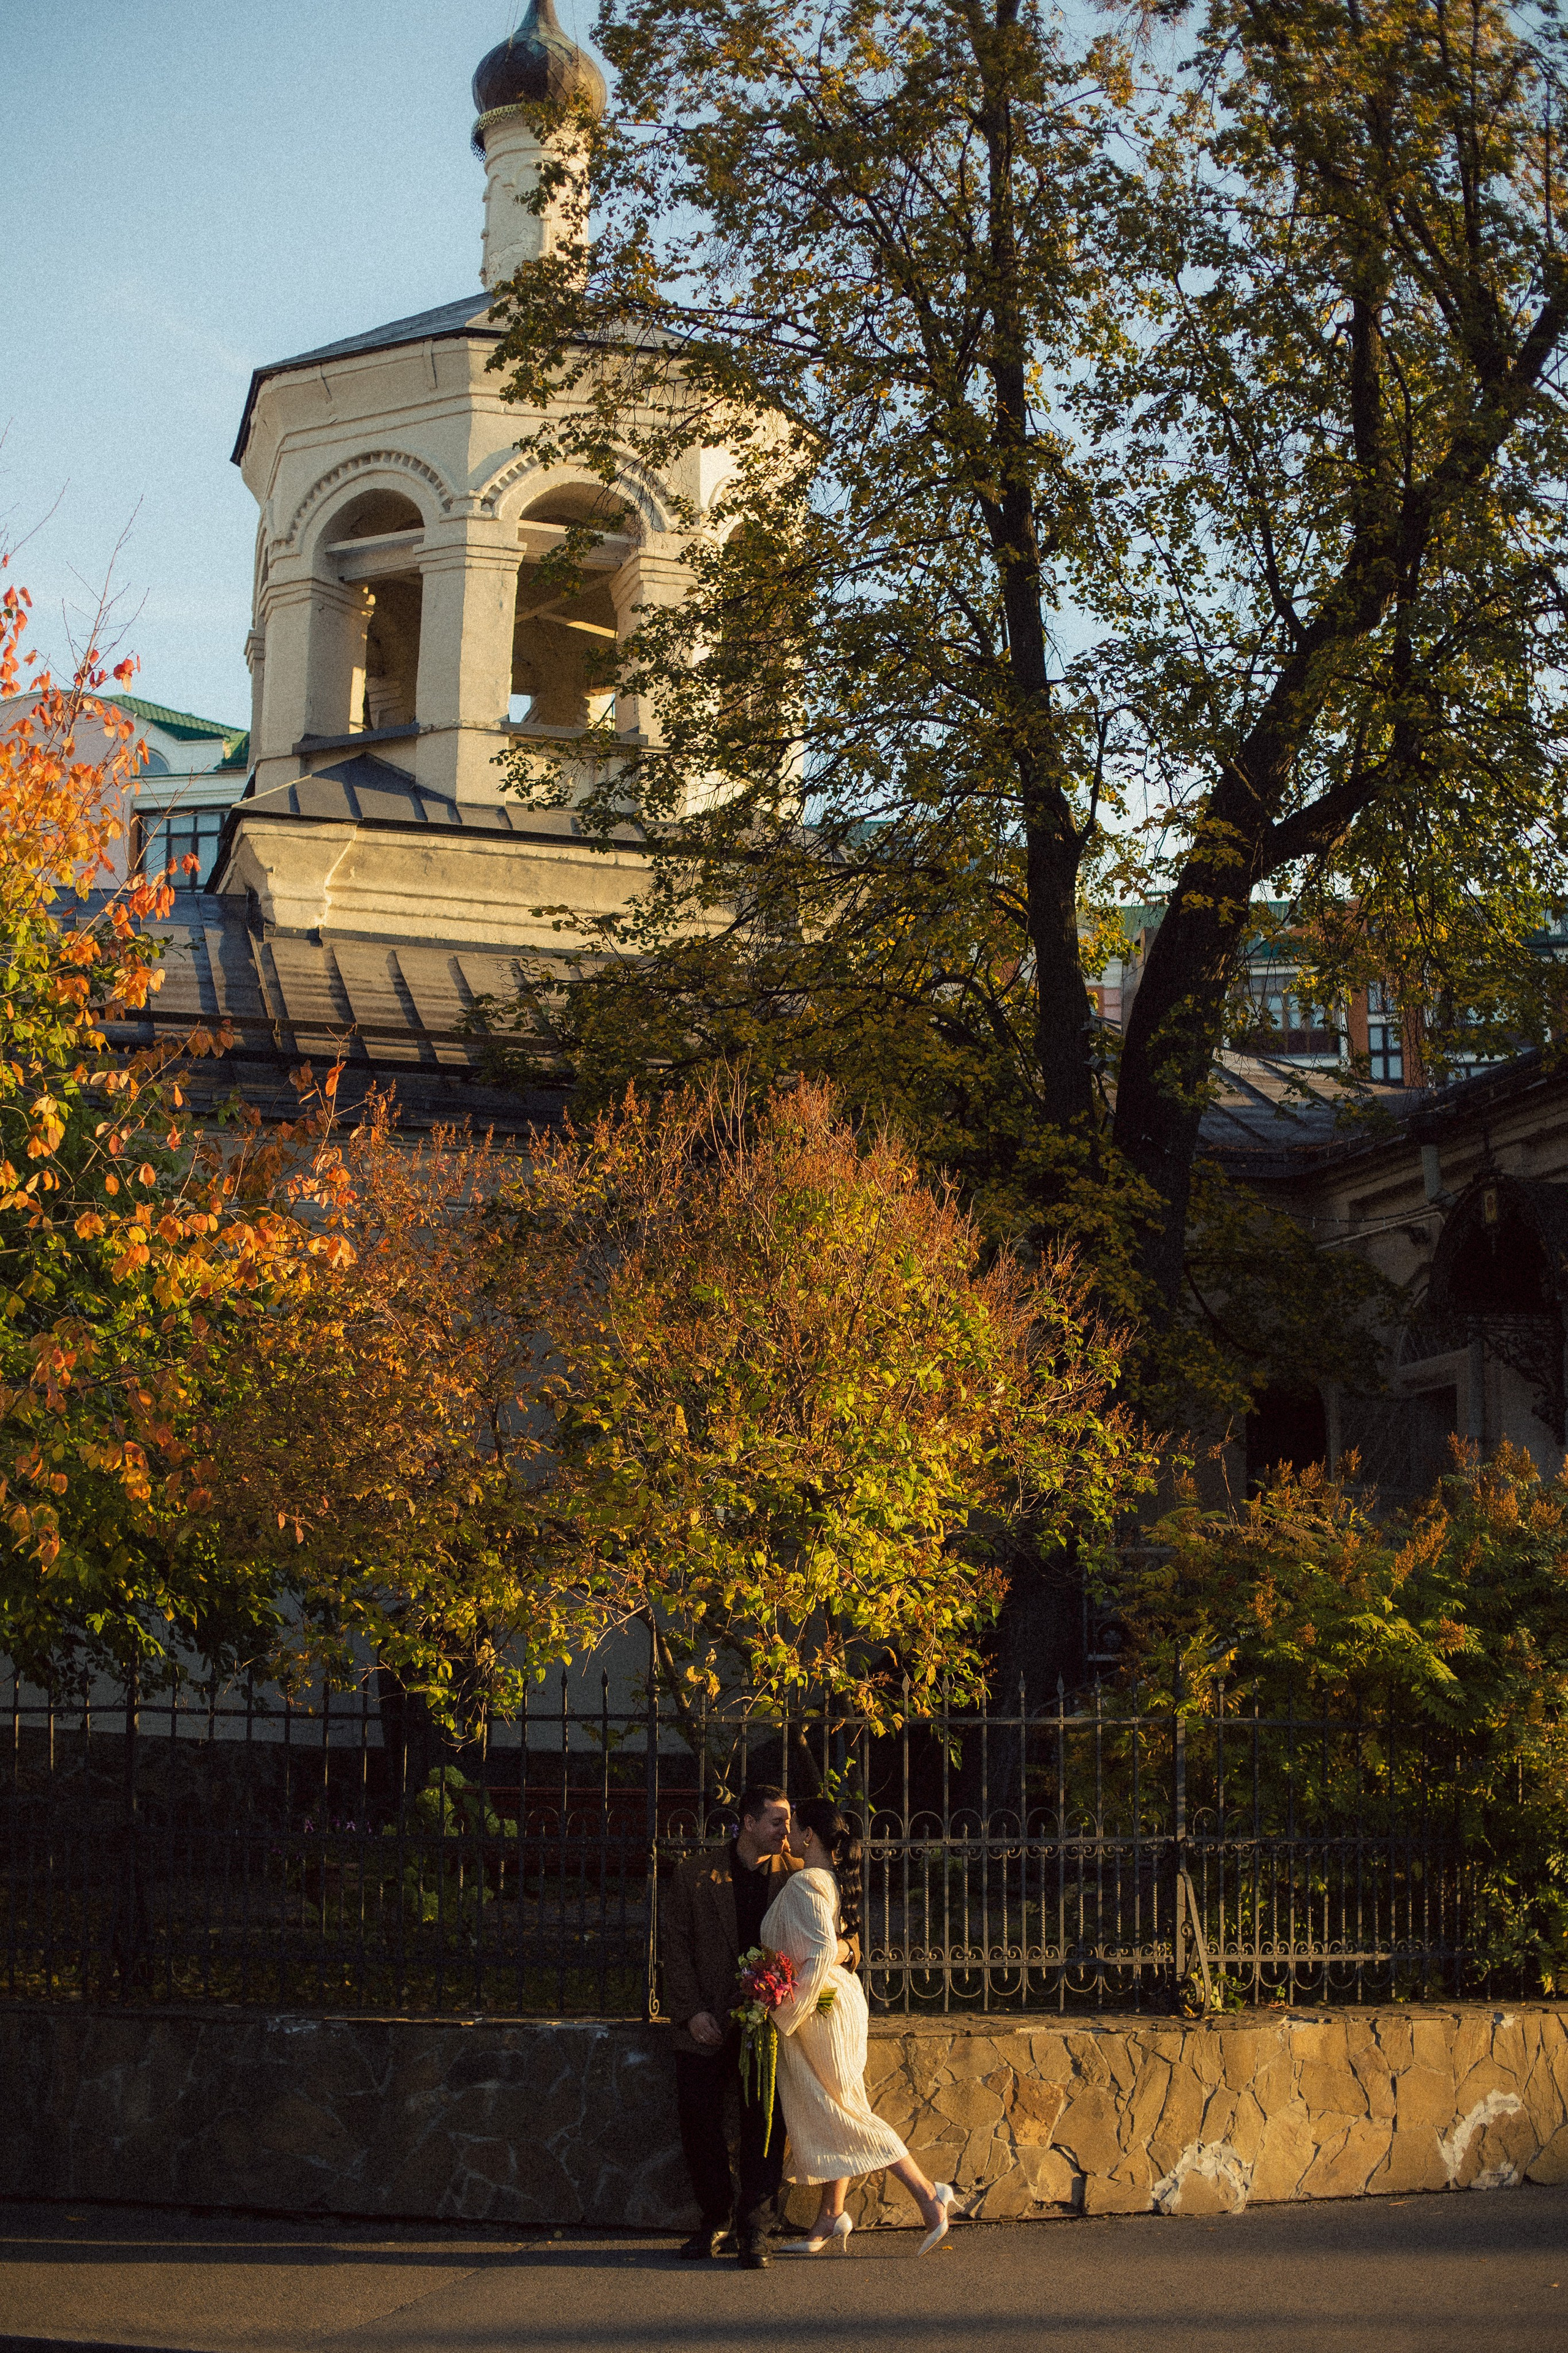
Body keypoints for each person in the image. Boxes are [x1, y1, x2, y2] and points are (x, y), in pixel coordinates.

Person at [760, 1797, 957, 2256]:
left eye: (794, 1825)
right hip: (831, 2002)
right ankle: (831, 2215)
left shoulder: (807, 1881)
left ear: (810, 1835)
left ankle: (929, 2195)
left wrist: (784, 2012)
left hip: (819, 2007)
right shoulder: (830, 1878)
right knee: (836, 2105)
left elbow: (820, 1954)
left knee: (844, 2109)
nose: (787, 1833)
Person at [660, 1781, 796, 2269]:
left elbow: (838, 1932)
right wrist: (691, 2012)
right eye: (777, 1820)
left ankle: (756, 2228)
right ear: (749, 1823)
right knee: (698, 2118)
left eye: (789, 1820)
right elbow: (674, 1946)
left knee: (765, 2123)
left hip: (769, 2021)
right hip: (707, 2020)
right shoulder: (695, 1873)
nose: (786, 1830)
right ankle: (715, 2217)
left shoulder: (797, 1875)